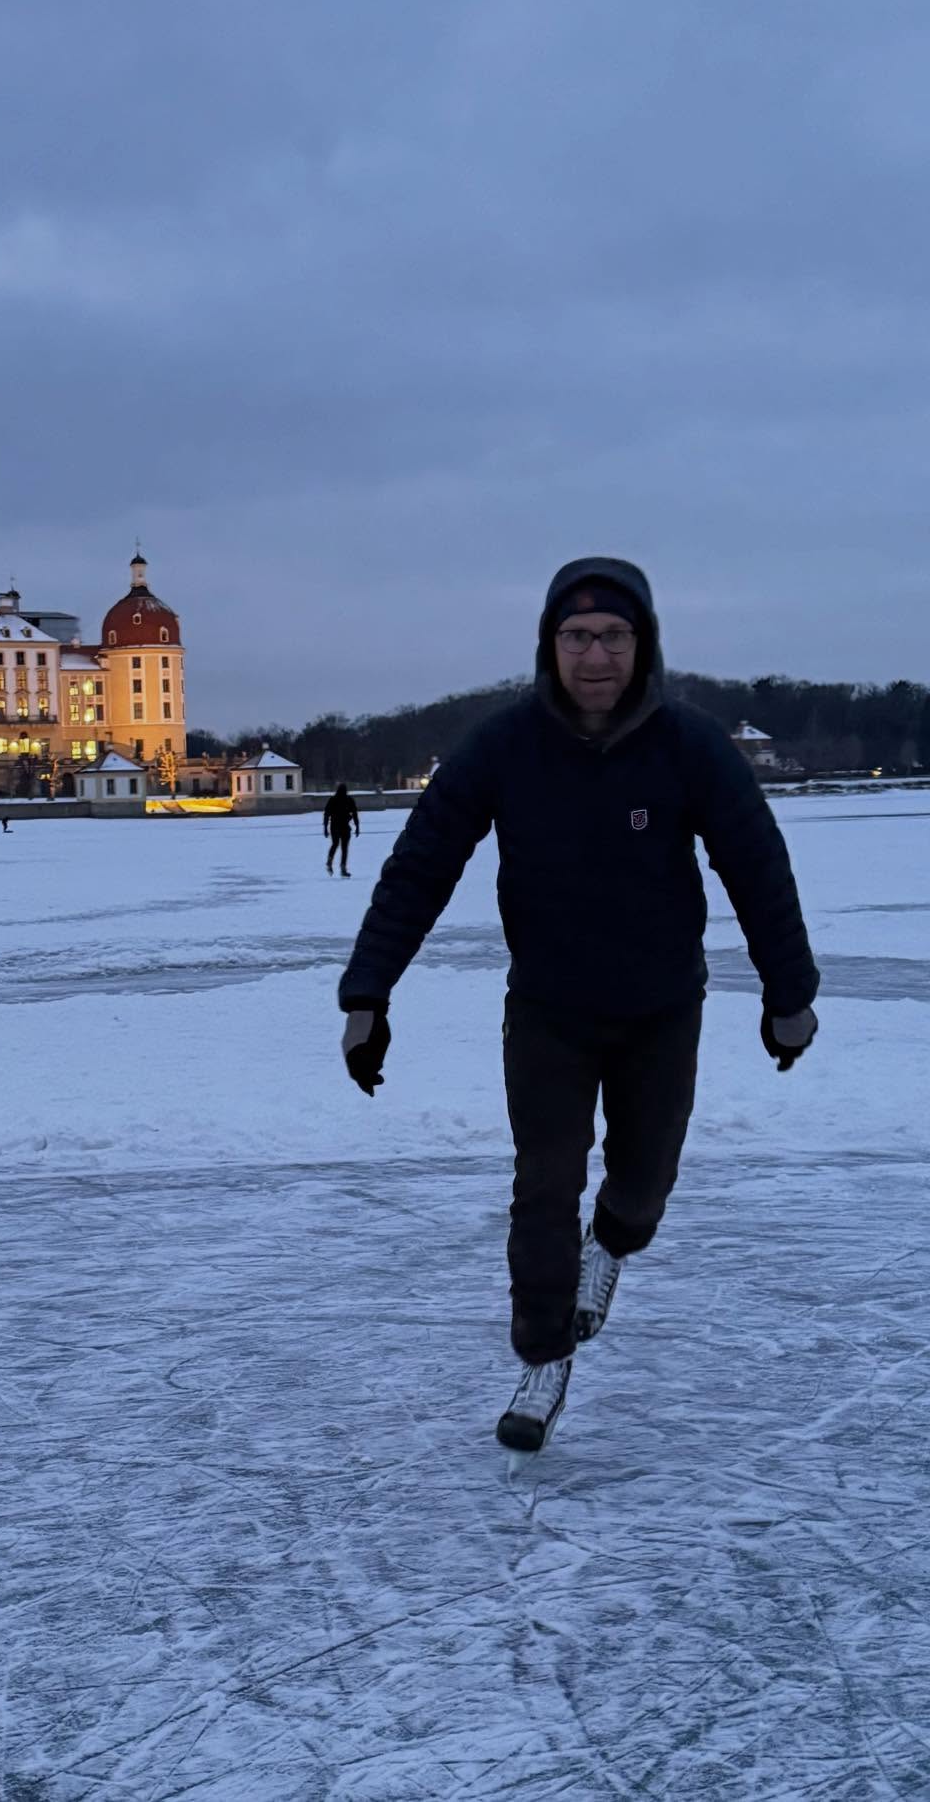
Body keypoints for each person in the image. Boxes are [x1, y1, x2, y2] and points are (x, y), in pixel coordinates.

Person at [337, 558, 820, 1453]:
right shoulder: (504, 746)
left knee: (641, 1186)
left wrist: (790, 995)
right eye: (576, 636)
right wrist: (368, 992)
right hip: (550, 1012)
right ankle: (543, 1357)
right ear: (548, 647)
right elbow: (421, 865)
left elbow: (757, 867)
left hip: (661, 1009)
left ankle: (616, 1241)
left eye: (613, 635)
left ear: (643, 647)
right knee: (544, 1184)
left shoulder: (690, 747)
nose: (594, 654)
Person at [323, 783, 360, 877]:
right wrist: (357, 826)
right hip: (344, 826)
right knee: (344, 847)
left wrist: (325, 828)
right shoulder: (349, 800)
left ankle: (330, 861)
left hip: (335, 826)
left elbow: (326, 814)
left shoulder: (333, 800)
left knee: (335, 844)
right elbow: (355, 813)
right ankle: (342, 868)